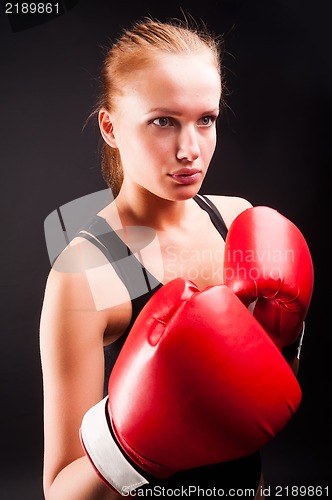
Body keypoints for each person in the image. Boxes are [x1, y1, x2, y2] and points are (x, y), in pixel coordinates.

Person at [40, 17, 313, 500]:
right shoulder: (86, 272)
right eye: (163, 121)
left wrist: (284, 343)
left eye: (205, 120)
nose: (190, 150)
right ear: (110, 126)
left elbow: (258, 403)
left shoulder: (237, 221)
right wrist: (130, 447)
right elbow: (61, 491)